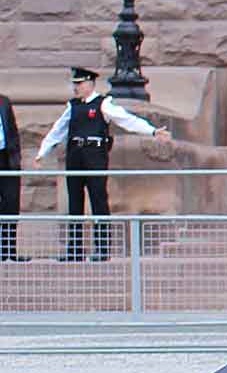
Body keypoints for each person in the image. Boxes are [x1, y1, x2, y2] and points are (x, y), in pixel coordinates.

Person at [36, 67, 169, 261]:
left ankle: (102, 248)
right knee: (75, 202)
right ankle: (74, 249)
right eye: (75, 84)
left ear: (90, 84)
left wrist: (152, 131)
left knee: (98, 200)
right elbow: (58, 130)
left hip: (95, 155)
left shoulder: (103, 104)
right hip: (75, 154)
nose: (76, 88)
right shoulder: (73, 106)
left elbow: (126, 120)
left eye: (80, 84)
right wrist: (43, 151)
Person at [0, 86, 22, 261]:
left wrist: (16, 157)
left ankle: (9, 252)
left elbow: (13, 131)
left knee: (11, 204)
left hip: (6, 159)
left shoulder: (4, 102)